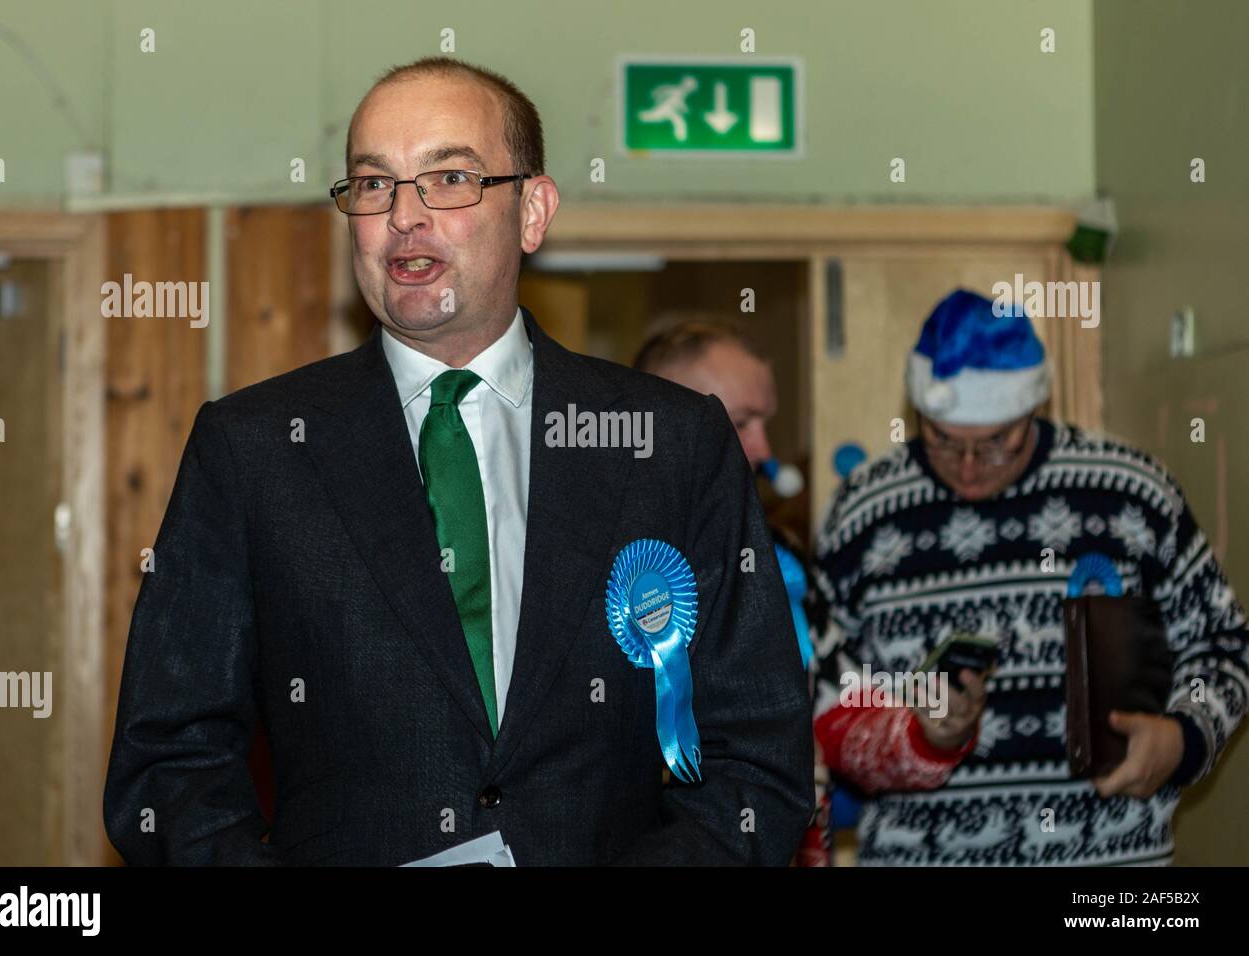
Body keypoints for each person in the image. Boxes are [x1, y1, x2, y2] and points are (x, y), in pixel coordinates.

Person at [103, 56, 813, 866]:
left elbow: (757, 756)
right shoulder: (255, 448)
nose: (404, 216)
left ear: (533, 212)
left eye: (448, 178)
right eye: (373, 186)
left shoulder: (671, 442)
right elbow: (166, 767)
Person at [812, 288, 1249, 865]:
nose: (968, 470)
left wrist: (1183, 738)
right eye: (942, 440)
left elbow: (1224, 646)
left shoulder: (1132, 491)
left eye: (996, 444)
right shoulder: (861, 512)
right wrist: (919, 736)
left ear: (1034, 409)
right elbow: (825, 697)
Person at [635, 320, 833, 866]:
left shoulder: (785, 555)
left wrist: (931, 735)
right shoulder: (604, 561)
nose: (766, 450)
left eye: (766, 422)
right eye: (742, 423)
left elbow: (844, 699)